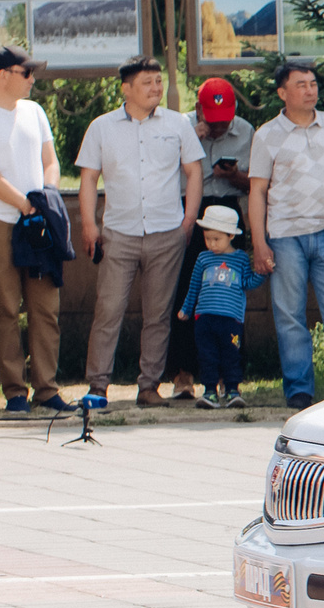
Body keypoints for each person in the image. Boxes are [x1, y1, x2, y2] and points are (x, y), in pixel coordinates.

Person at [74, 56, 203, 409]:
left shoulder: (177, 123)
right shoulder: (101, 127)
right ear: (126, 89)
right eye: (147, 82)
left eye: (158, 81)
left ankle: (149, 386)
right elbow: (89, 178)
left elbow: (194, 171)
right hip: (119, 232)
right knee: (108, 310)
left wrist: (189, 219)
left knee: (158, 315)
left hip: (167, 231)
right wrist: (89, 224)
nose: (156, 88)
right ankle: (98, 386)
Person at [247, 60, 324, 411]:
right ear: (282, 93)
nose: (310, 90)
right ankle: (299, 392)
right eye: (300, 84)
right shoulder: (267, 135)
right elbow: (257, 191)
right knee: (290, 317)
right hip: (286, 237)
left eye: (313, 83)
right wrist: (259, 242)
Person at [0, 47, 68, 413]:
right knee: (6, 306)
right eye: (26, 73)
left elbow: (51, 161)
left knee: (45, 306)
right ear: (3, 75)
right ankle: (15, 391)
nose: (32, 79)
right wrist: (22, 203)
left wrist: (46, 195)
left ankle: (47, 389)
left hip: (38, 222)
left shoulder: (35, 112)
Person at [165, 78, 255, 403]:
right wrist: (192, 140)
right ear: (199, 110)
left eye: (224, 122)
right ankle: (183, 375)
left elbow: (255, 182)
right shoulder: (180, 127)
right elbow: (164, 173)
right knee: (187, 293)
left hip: (228, 212)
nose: (218, 128)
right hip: (190, 209)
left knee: (228, 295)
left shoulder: (245, 131)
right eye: (212, 121)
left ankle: (228, 379)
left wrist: (233, 175)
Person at [175, 204, 264, 408]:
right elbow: (194, 286)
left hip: (232, 320)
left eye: (217, 239)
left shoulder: (240, 258)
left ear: (231, 236)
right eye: (208, 239)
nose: (212, 244)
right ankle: (209, 392)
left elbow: (247, 282)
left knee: (232, 354)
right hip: (204, 319)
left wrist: (262, 273)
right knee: (207, 355)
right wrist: (186, 309)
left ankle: (232, 389)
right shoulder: (203, 258)